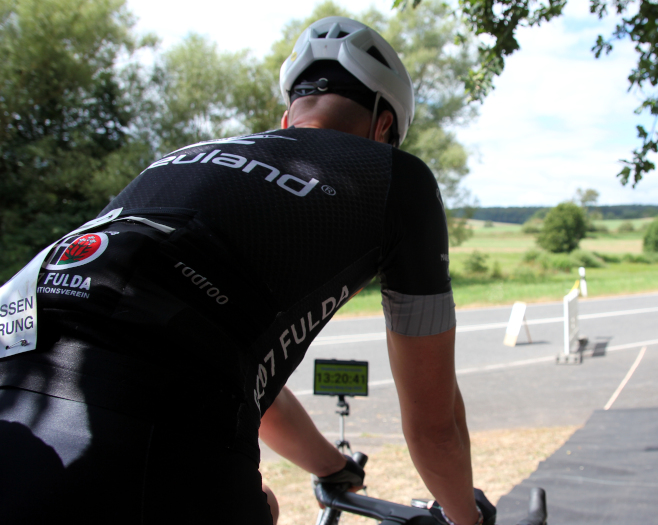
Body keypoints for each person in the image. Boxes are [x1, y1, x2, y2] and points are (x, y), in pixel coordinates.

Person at [0, 16, 495, 525]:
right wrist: (466, 517)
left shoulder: (181, 158)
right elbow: (434, 427)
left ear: (287, 118)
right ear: (384, 126)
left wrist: (332, 468)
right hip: (152, 422)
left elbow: (242, 378)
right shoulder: (394, 176)